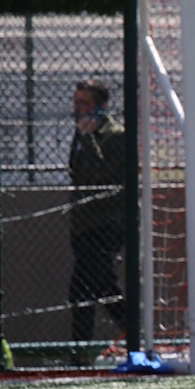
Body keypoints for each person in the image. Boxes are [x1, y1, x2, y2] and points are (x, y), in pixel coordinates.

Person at [68, 78, 127, 362]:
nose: (78, 109)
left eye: (85, 103)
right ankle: (137, 334)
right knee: (105, 288)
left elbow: (101, 175)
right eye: (76, 103)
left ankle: (80, 355)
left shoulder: (114, 135)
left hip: (106, 225)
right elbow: (76, 172)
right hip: (83, 225)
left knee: (80, 291)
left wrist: (88, 138)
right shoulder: (81, 132)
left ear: (101, 105)